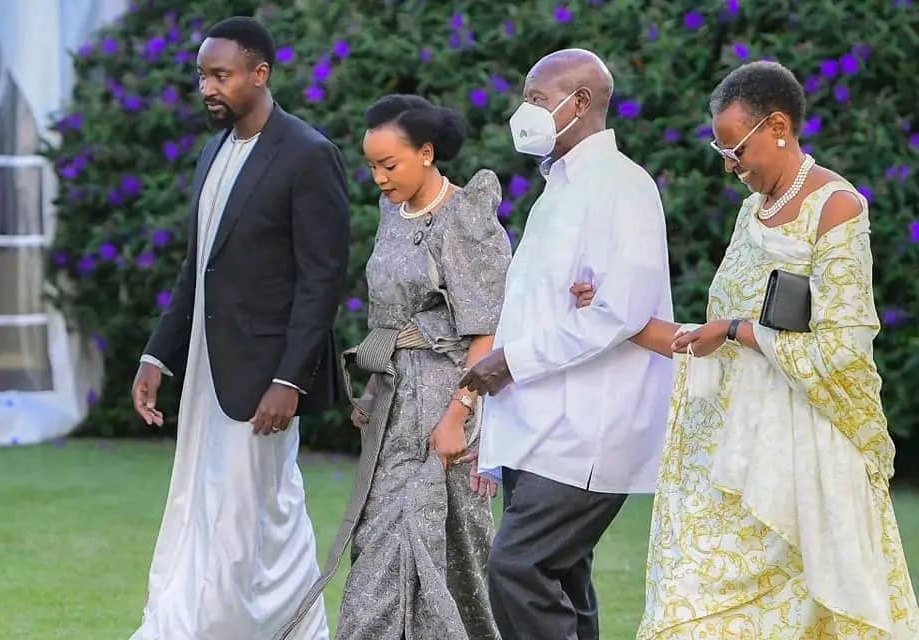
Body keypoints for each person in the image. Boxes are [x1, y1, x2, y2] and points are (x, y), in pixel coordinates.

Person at [576, 61, 919, 639]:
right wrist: (611, 308)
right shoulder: (750, 211)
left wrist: (739, 330)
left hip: (803, 449)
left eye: (737, 149)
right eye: (723, 152)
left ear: (778, 126)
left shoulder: (836, 206)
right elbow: (709, 337)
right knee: (685, 608)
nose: (732, 166)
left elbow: (846, 343)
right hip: (729, 446)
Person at [128, 17, 350, 640]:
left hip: (263, 374)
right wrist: (157, 356)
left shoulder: (308, 154)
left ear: (260, 74)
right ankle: (207, 619)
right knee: (206, 500)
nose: (207, 87)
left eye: (220, 75)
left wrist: (290, 379)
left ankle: (258, 627)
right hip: (203, 365)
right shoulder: (214, 150)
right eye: (202, 75)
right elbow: (196, 267)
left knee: (260, 507)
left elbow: (322, 278)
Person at [460, 49, 674, 640]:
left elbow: (621, 310)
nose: (524, 111)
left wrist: (512, 361)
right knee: (564, 575)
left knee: (518, 566)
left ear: (579, 103)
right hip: (540, 424)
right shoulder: (558, 185)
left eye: (535, 98)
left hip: (588, 428)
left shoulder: (622, 187)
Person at [286, 94, 510, 640]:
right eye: (372, 166)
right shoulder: (392, 213)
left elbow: (488, 328)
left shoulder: (467, 216)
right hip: (393, 410)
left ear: (427, 153)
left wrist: (460, 413)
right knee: (376, 558)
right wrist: (369, 391)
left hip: (449, 405)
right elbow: (391, 319)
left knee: (450, 559)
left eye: (390, 165)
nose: (379, 178)